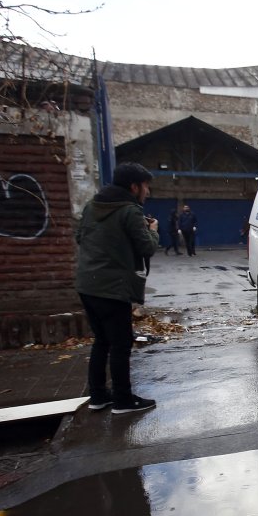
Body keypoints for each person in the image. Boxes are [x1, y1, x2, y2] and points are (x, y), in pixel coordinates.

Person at [75, 162, 160, 414]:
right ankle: (123, 400)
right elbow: (147, 247)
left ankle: (98, 396)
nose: (148, 192)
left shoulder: (92, 206)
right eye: (145, 186)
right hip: (113, 288)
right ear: (134, 187)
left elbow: (80, 238)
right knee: (121, 344)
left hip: (87, 285)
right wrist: (153, 231)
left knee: (101, 341)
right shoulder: (129, 212)